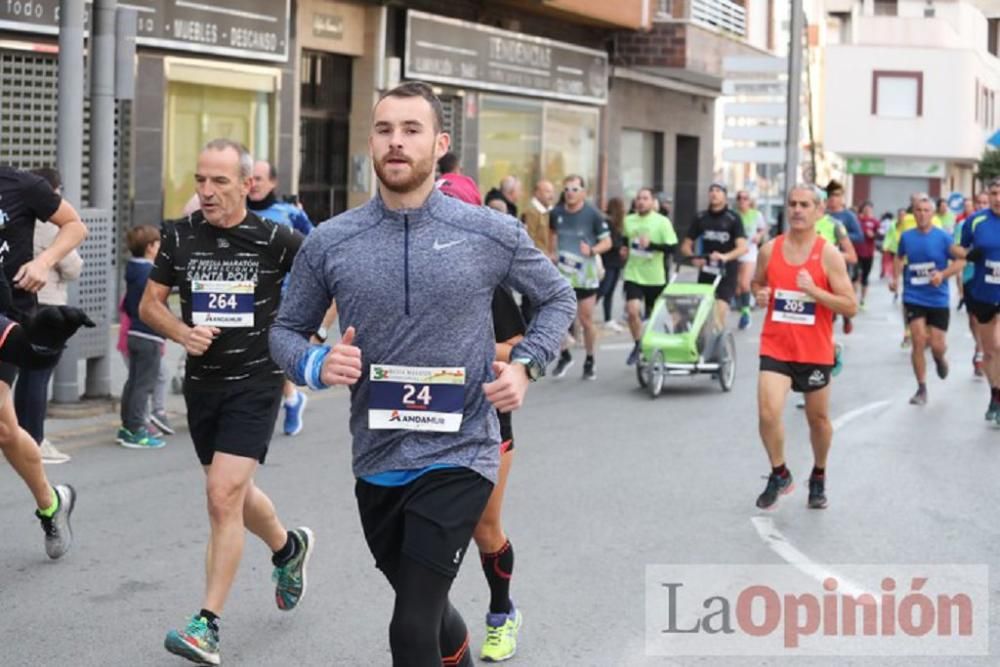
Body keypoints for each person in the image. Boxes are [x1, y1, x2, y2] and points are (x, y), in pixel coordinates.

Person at [269, 81, 576, 666]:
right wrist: (315, 361)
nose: (396, 142)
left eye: (411, 130)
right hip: (378, 459)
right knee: (429, 613)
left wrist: (528, 365)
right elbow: (284, 331)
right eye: (385, 130)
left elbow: (557, 298)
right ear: (370, 144)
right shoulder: (332, 241)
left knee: (408, 628)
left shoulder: (489, 231)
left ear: (439, 144)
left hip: (461, 451)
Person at [140, 139, 314, 666]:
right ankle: (288, 549)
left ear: (247, 184)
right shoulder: (179, 236)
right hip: (204, 384)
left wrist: (301, 337)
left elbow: (321, 282)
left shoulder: (276, 238)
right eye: (200, 180)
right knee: (234, 494)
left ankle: (206, 625)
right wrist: (181, 332)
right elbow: (151, 305)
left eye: (219, 181)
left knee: (221, 497)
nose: (208, 191)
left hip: (256, 380)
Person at [435, 175, 530, 662]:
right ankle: (437, 624)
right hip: (426, 417)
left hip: (485, 418)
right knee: (429, 531)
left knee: (483, 529)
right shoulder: (411, 275)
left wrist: (461, 352)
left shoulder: (488, 280)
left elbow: (515, 347)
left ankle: (501, 613)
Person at [0, 165, 89, 557]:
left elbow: (74, 225)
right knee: (6, 428)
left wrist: (43, 261)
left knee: (4, 430)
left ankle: (50, 504)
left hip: (8, 318)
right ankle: (53, 500)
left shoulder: (19, 184)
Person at [752, 184, 857, 510]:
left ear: (818, 211)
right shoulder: (770, 249)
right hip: (776, 345)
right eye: (793, 204)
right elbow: (757, 282)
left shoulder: (828, 254)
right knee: (768, 413)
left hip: (814, 350)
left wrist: (816, 292)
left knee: (818, 420)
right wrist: (759, 293)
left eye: (805, 205)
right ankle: (779, 472)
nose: (797, 210)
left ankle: (819, 474)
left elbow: (850, 306)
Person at [14, 166, 81, 464]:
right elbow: (73, 266)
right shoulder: (51, 223)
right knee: (39, 376)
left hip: (18, 304)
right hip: (47, 306)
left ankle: (18, 435)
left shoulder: (16, 214)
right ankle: (34, 441)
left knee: (20, 376)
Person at [248, 159, 314, 436]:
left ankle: (288, 399)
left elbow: (315, 246)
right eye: (249, 178)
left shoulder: (289, 214)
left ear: (273, 183)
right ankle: (290, 397)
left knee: (274, 351)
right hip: (245, 295)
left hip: (284, 295)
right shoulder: (235, 213)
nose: (253, 184)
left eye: (259, 179)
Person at [891, 196, 964, 405]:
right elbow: (898, 257)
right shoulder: (907, 237)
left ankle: (940, 359)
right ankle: (921, 388)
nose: (922, 214)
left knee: (937, 345)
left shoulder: (943, 238)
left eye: (926, 210)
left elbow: (961, 260)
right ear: (913, 213)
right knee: (918, 340)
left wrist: (943, 274)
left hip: (938, 299)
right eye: (918, 210)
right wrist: (894, 279)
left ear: (932, 214)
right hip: (913, 297)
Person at [550, 175, 611, 380]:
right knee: (556, 317)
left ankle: (590, 358)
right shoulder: (556, 213)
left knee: (585, 320)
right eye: (567, 189)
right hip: (562, 276)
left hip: (585, 276)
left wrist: (592, 250)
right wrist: (552, 255)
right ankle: (565, 355)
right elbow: (553, 239)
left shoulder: (592, 214)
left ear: (584, 193)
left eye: (575, 189)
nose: (570, 193)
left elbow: (608, 242)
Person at [117, 224, 167, 449]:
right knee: (144, 385)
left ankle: (127, 425)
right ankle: (136, 429)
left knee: (133, 382)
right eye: (158, 244)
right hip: (149, 335)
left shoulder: (132, 269)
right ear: (150, 247)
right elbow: (159, 304)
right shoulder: (150, 273)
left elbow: (128, 304)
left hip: (134, 332)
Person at [955, 177, 1000, 423]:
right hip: (983, 292)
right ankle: (995, 394)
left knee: (998, 345)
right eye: (994, 193)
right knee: (991, 350)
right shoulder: (976, 220)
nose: (998, 198)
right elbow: (959, 249)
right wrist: (970, 254)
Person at [679, 182, 747, 329]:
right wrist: (694, 258)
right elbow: (685, 245)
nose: (714, 193)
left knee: (720, 310)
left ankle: (718, 345)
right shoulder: (701, 217)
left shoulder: (733, 218)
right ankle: (705, 344)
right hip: (707, 271)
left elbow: (742, 248)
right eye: (711, 190)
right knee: (703, 314)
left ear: (725, 195)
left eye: (718, 190)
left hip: (726, 271)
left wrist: (725, 257)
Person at [623, 188, 677, 364]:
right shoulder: (628, 220)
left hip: (655, 277)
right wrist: (623, 249)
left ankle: (659, 350)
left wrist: (652, 245)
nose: (640, 201)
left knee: (656, 318)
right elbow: (625, 240)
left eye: (645, 198)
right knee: (632, 311)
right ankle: (638, 344)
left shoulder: (662, 222)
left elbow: (672, 247)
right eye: (638, 198)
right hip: (633, 274)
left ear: (653, 202)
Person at [824, 181, 862, 334]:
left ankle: (846, 317)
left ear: (842, 198)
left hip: (841, 262)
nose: (833, 198)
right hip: (822, 263)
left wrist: (841, 236)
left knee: (842, 294)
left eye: (836, 195)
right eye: (830, 195)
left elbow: (859, 236)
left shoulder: (848, 216)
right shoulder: (822, 214)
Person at [519, 180, 556, 323]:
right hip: (535, 262)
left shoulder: (548, 211)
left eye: (552, 192)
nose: (551, 195)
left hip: (545, 261)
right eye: (547, 191)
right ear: (537, 192)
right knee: (531, 301)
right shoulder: (531, 212)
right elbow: (530, 238)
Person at [735, 190, 768, 330]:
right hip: (734, 253)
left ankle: (746, 313)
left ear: (750, 201)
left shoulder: (756, 214)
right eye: (739, 198)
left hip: (750, 252)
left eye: (745, 198)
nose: (742, 201)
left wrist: (759, 236)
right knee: (737, 288)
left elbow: (763, 229)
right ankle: (743, 308)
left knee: (744, 283)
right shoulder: (733, 215)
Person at [597, 197, 626, 333]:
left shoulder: (617, 224)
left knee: (610, 291)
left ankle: (608, 319)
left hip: (615, 262)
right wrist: (620, 246)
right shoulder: (608, 223)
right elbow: (612, 242)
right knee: (603, 289)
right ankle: (586, 313)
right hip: (608, 261)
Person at [855, 200, 879, 309]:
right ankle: (853, 298)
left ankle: (863, 300)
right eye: (866, 208)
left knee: (865, 277)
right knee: (855, 275)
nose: (867, 210)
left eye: (869, 209)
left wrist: (873, 235)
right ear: (862, 209)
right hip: (856, 252)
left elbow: (879, 236)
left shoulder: (874, 222)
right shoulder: (856, 220)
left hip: (869, 253)